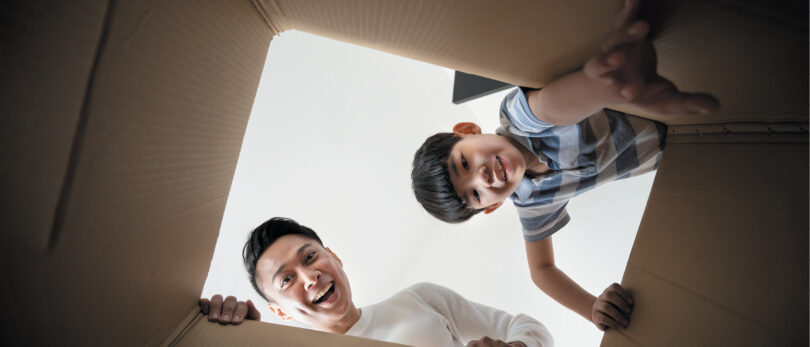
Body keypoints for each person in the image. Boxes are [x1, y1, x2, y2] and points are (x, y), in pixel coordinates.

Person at [410, 0, 719, 332]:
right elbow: (541, 271)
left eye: (465, 162)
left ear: (468, 131)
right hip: (675, 152)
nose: (482, 177)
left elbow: (550, 106)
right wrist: (592, 309)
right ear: (492, 205)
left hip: (655, 95)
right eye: (474, 194)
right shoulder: (531, 200)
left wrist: (601, 86)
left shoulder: (516, 117)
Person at [200, 217, 553, 347]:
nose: (310, 277)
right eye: (287, 279)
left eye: (310, 257)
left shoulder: (421, 299)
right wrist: (225, 337)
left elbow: (531, 328)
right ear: (280, 311)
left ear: (334, 257)